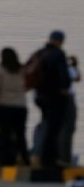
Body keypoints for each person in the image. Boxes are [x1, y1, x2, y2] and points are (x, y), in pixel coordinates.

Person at [30, 30, 72, 169]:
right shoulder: (58, 54)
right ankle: (49, 160)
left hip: (39, 96)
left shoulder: (39, 52)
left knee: (45, 124)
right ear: (60, 41)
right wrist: (65, 88)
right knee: (54, 129)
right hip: (55, 97)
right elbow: (63, 76)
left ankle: (38, 154)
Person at [0, 47, 29, 165]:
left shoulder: (0, 70)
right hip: (21, 106)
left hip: (4, 105)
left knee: (5, 133)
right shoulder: (23, 69)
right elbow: (27, 86)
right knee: (21, 133)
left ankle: (6, 159)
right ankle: (25, 157)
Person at [59, 55, 81, 165]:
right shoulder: (67, 68)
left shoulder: (51, 67)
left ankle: (58, 156)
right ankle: (65, 157)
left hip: (52, 100)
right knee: (68, 128)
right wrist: (75, 65)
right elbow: (78, 78)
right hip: (67, 99)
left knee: (57, 128)